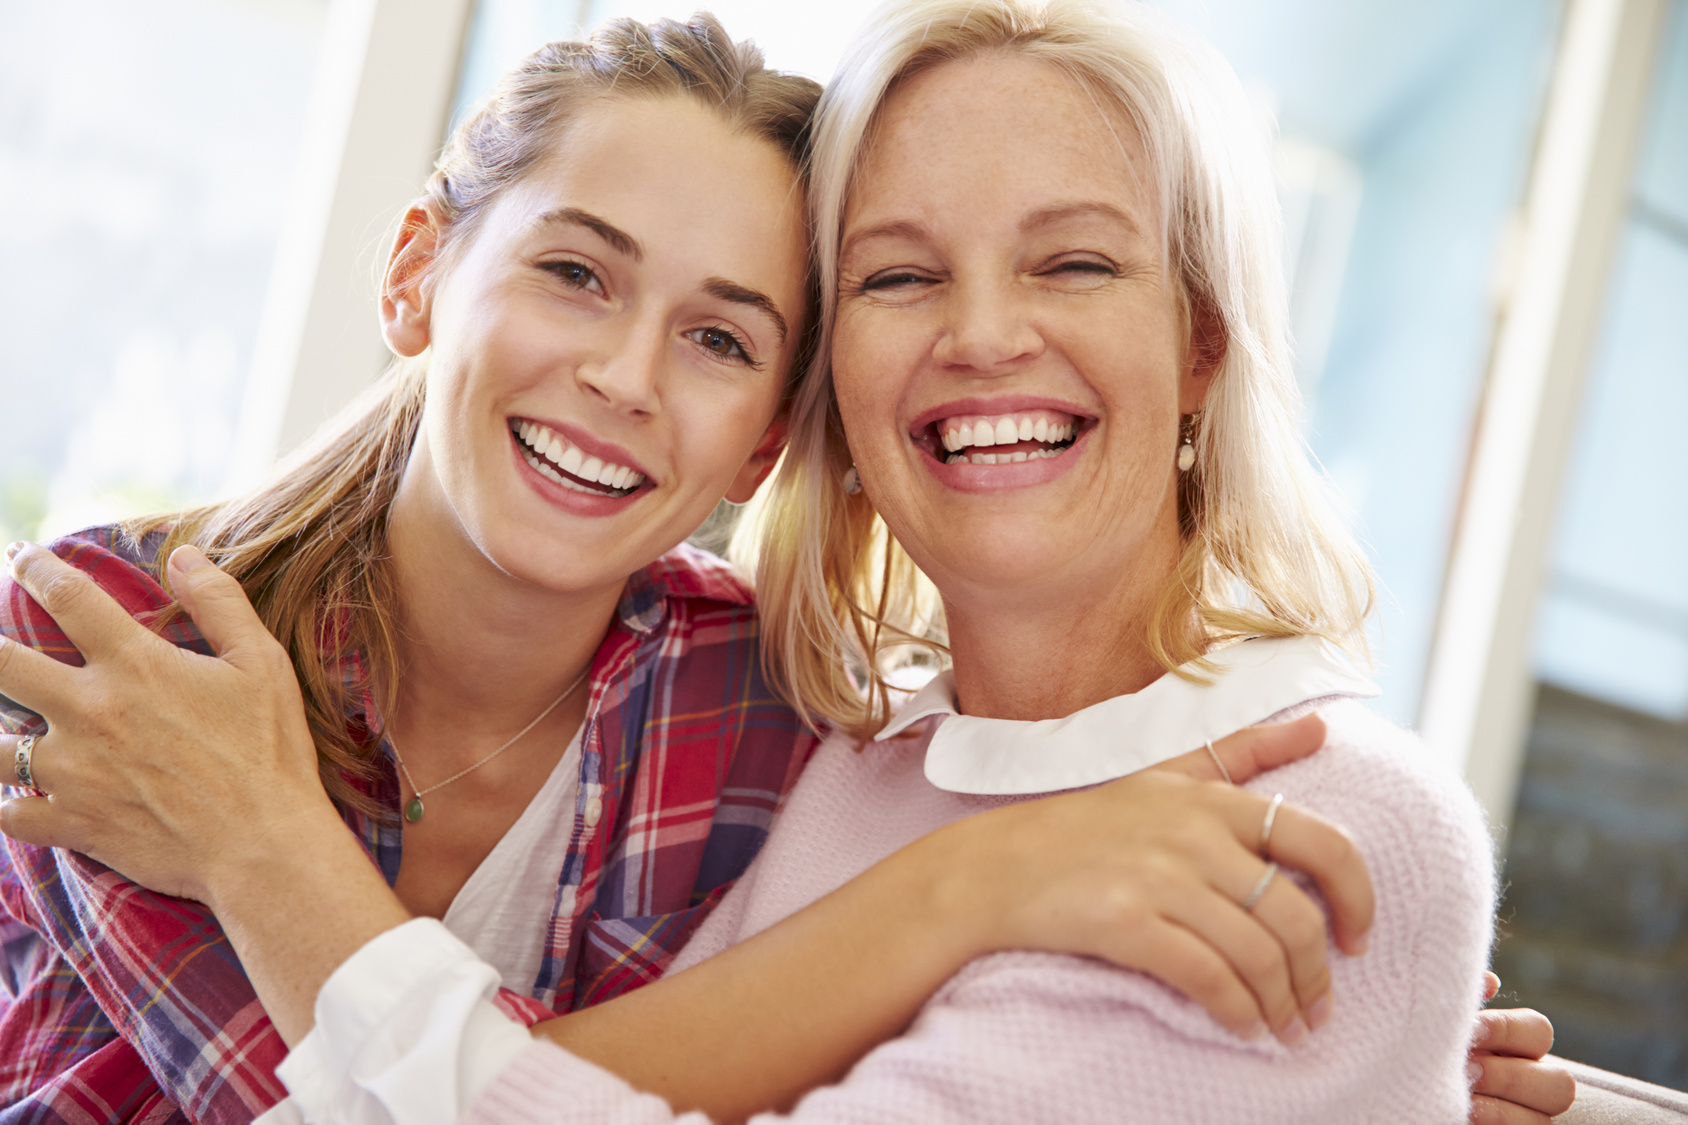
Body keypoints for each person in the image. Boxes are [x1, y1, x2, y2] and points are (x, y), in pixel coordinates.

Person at [0, 4, 1573, 1124]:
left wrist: (1403, 1061)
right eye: (899, 274)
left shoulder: (760, 708)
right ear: (420, 273)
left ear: (767, 435)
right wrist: (980, 882)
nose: (625, 375)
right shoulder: (124, 652)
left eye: (719, 335)